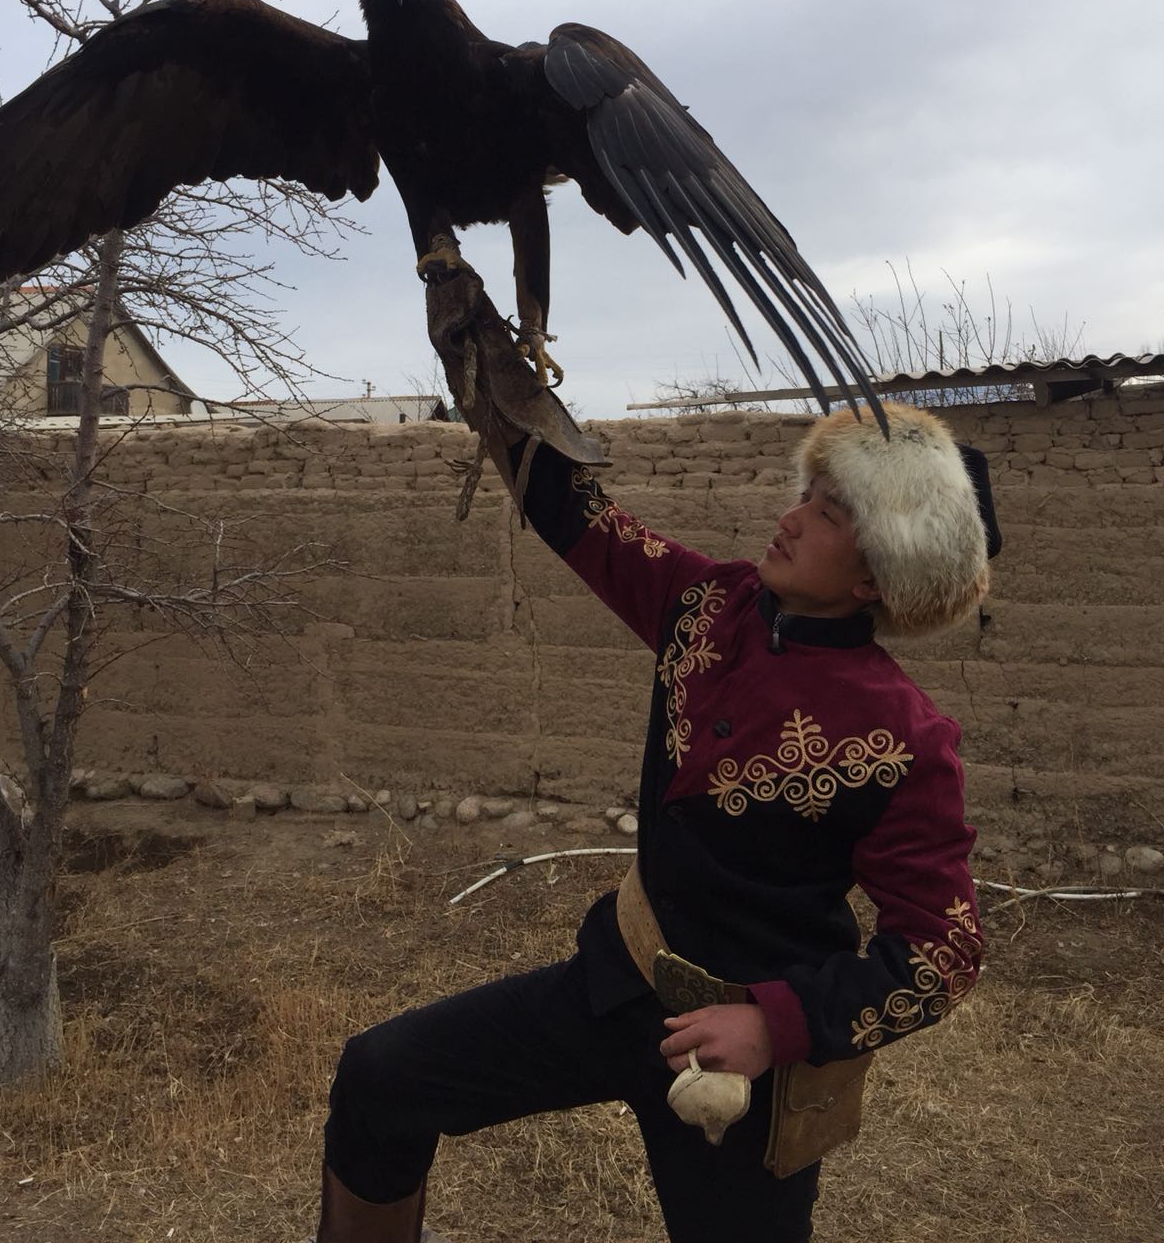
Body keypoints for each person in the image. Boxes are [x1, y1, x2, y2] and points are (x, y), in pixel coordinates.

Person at [309, 401, 999, 1243]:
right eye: (806, 495)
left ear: (875, 577)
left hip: (741, 1072)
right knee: (380, 1077)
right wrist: (498, 385)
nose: (790, 519)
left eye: (828, 514)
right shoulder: (709, 605)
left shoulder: (905, 739)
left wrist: (773, 1024)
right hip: (615, 984)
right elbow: (586, 522)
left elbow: (943, 951)